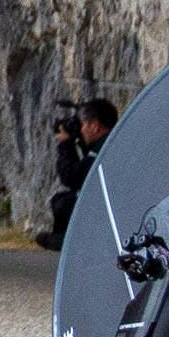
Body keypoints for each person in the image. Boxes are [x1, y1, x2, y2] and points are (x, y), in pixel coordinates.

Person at [39, 97, 118, 251]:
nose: (81, 130)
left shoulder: (103, 149)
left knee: (63, 203)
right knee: (62, 199)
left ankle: (70, 243)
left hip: (105, 208)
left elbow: (72, 177)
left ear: (95, 126)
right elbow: (83, 171)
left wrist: (65, 145)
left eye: (83, 125)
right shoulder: (111, 142)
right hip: (109, 203)